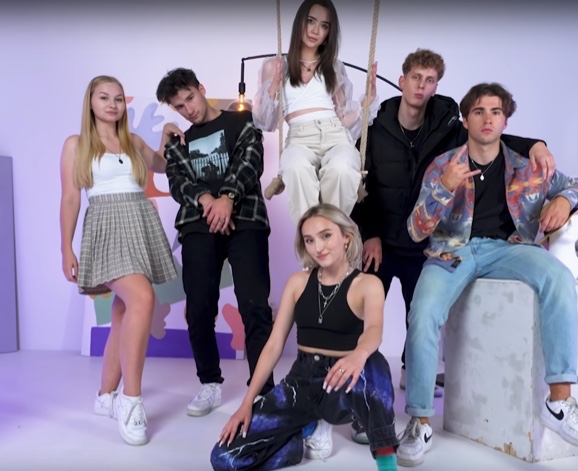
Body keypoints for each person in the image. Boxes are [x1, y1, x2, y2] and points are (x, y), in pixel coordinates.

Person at [349, 48, 556, 444]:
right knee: (364, 320)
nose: (421, 86)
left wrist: (536, 144)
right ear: (402, 80)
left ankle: (415, 382)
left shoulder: (447, 120)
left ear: (436, 86)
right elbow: (360, 182)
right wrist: (369, 232)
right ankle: (364, 400)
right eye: (415, 78)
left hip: (425, 242)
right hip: (382, 240)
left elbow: (490, 136)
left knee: (421, 317)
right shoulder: (375, 127)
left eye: (429, 80)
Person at [395, 82, 578, 467]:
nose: (487, 119)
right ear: (465, 120)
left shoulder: (528, 166)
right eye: (478, 112)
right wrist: (444, 189)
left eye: (495, 112)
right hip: (451, 252)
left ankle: (559, 403)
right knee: (423, 312)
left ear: (506, 120)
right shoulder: (443, 165)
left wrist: (562, 198)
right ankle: (420, 422)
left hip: (509, 248)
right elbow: (416, 230)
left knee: (557, 277)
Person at [210, 204, 399, 471]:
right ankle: (299, 438)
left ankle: (387, 462)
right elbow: (274, 345)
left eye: (326, 236)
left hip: (343, 381)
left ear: (346, 237)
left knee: (374, 363)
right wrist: (247, 402)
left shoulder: (367, 284)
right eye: (309, 240)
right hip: (301, 383)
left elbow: (374, 330)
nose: (318, 247)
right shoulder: (297, 283)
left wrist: (358, 355)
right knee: (224, 459)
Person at [59, 75, 177, 446]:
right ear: (90, 102)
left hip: (138, 221)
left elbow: (160, 165)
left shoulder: (133, 141)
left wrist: (166, 138)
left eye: (118, 98)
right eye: (104, 97)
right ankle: (131, 400)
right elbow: (70, 198)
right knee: (142, 298)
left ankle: (105, 396)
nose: (112, 104)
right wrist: (66, 248)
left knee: (125, 312)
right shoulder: (76, 144)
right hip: (106, 226)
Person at [155, 68, 275, 418]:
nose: (188, 109)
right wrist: (207, 200)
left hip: (246, 218)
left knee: (254, 306)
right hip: (198, 224)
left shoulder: (242, 121)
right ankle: (209, 382)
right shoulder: (179, 142)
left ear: (201, 89)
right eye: (179, 106)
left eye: (190, 98)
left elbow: (251, 160)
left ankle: (262, 390)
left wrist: (227, 197)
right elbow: (177, 181)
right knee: (199, 307)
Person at [252, 0, 378, 225]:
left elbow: (344, 118)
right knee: (295, 167)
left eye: (324, 25)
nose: (315, 30)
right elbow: (265, 121)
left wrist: (367, 100)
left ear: (329, 33)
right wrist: (274, 87)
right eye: (310, 21)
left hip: (335, 134)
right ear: (300, 22)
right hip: (300, 138)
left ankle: (331, 233)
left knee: (342, 169)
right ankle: (311, 239)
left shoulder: (334, 67)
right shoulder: (275, 65)